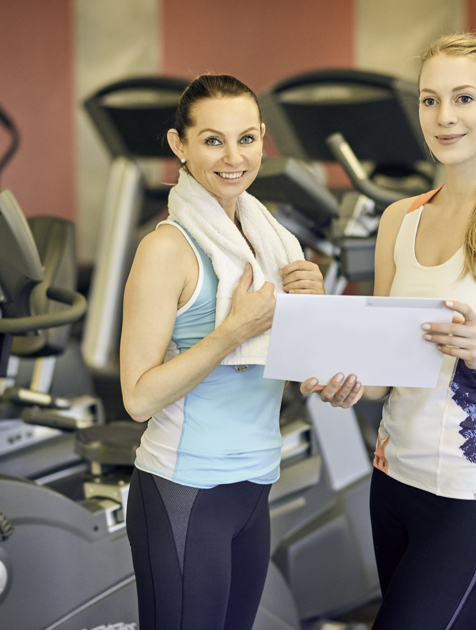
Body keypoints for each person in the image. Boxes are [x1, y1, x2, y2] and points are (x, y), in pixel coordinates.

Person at [301, 33, 476, 629]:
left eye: (463, 98)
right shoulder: (397, 221)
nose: (445, 117)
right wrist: (344, 379)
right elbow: (382, 375)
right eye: (431, 101)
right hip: (393, 484)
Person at [119, 73, 325, 630]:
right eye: (212, 140)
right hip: (184, 489)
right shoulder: (168, 249)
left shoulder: (271, 243)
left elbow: (299, 362)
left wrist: (313, 309)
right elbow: (137, 398)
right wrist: (231, 332)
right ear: (178, 145)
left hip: (255, 484)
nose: (233, 157)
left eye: (246, 139)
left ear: (262, 138)